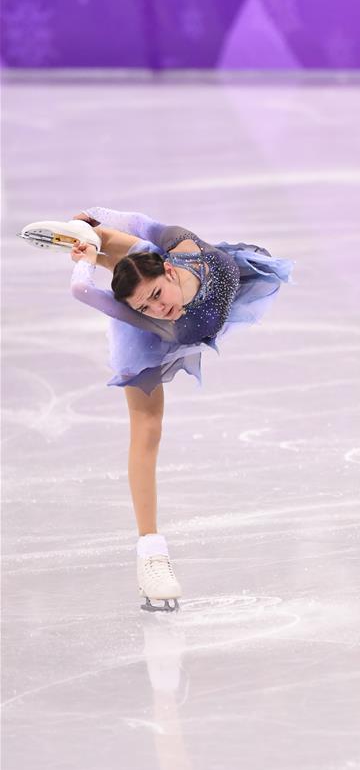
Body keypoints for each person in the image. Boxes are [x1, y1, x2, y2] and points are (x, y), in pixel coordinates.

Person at [20, 208, 294, 612]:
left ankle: (92, 233)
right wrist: (84, 266)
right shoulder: (151, 316)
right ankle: (151, 554)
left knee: (136, 244)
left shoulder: (195, 256)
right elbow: (84, 293)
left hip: (179, 283)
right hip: (149, 335)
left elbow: (143, 227)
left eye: (157, 297)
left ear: (170, 270)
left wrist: (97, 225)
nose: (157, 306)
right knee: (147, 427)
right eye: (147, 305)